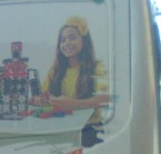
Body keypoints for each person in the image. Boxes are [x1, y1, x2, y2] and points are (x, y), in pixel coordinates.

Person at [35, 16, 109, 146]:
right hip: (59, 132)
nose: (67, 43)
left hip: (89, 132)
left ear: (84, 40)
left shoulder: (97, 67)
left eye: (72, 37)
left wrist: (74, 104)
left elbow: (105, 98)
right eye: (62, 40)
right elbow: (40, 96)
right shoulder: (55, 71)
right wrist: (42, 100)